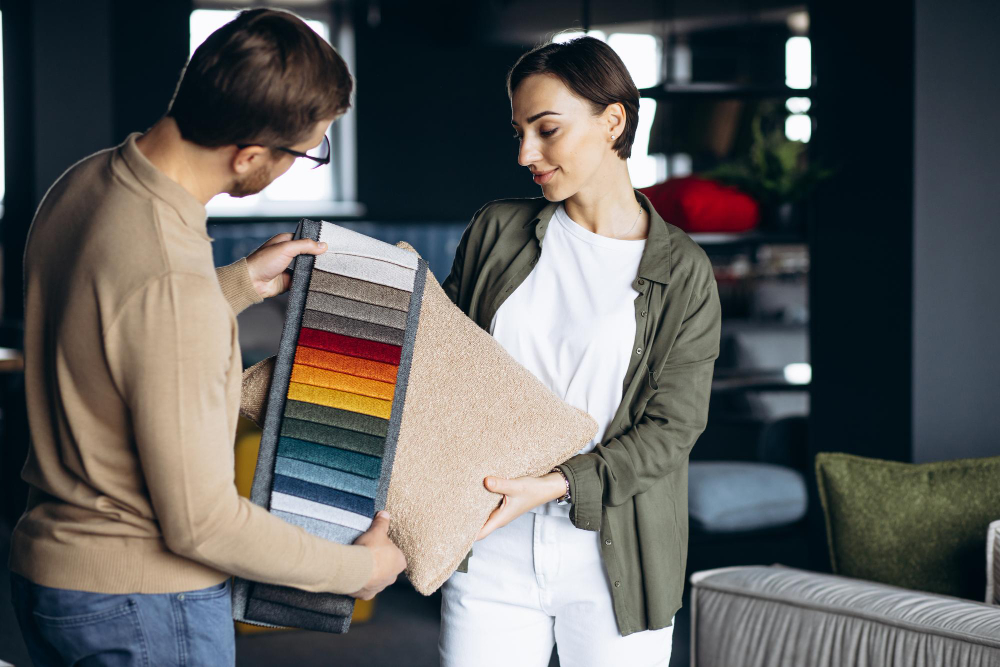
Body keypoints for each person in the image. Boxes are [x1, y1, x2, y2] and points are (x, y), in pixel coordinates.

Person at [8, 9, 404, 666]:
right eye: (308, 151)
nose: (302, 165)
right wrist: (350, 571)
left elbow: (113, 332)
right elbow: (202, 522)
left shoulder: (82, 183)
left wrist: (240, 282)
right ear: (248, 155)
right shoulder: (170, 281)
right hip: (144, 603)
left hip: (53, 578)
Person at [437, 37, 722, 667]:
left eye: (546, 130)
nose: (524, 154)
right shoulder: (497, 230)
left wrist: (556, 485)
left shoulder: (685, 272)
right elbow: (442, 364)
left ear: (613, 120)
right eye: (518, 132)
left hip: (616, 556)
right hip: (488, 549)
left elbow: (673, 430)